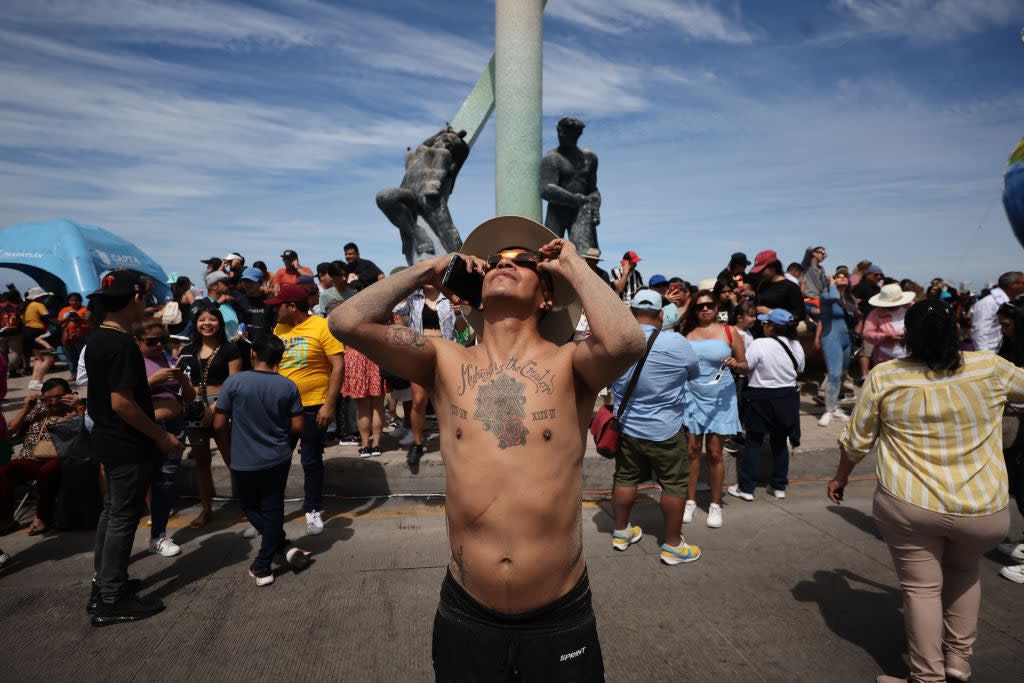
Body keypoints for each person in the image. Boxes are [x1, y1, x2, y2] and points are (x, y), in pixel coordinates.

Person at [328, 216, 644, 681]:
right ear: (476, 288)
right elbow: (345, 321)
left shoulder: (570, 364)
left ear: (546, 294)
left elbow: (626, 341)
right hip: (467, 609)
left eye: (523, 261)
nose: (505, 263)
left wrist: (573, 266)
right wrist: (427, 270)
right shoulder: (441, 358)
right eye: (495, 261)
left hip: (559, 613)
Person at [829, 300, 1023, 683]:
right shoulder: (991, 367)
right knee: (965, 573)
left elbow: (856, 441)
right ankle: (958, 660)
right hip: (984, 508)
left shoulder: (886, 377)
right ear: (956, 330)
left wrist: (841, 477)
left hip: (910, 503)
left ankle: (927, 676)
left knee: (921, 589)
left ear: (909, 337)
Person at [86, 270, 184, 627]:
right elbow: (121, 402)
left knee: (113, 512)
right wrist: (161, 437)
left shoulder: (98, 338)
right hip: (125, 442)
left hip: (109, 440)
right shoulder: (121, 343)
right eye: (143, 297)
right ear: (134, 299)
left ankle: (106, 583)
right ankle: (111, 597)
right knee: (124, 516)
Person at [610, 289, 701, 564]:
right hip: (666, 428)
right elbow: (694, 373)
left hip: (626, 426)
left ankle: (620, 532)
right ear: (661, 315)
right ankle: (673, 545)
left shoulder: (618, 340)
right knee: (674, 484)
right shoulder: (677, 342)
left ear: (630, 312)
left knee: (625, 477)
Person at [213, 334, 311, 586]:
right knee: (273, 508)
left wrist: (228, 452)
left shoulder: (234, 383)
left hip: (244, 459)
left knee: (249, 506)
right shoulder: (288, 386)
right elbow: (298, 425)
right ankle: (282, 547)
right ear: (280, 358)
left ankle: (263, 563)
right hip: (277, 457)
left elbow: (219, 424)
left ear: (253, 355)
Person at [269, 284, 344, 536]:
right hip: (282, 408)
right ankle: (272, 514)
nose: (275, 310)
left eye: (278, 305)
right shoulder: (279, 329)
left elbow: (338, 366)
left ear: (292, 307)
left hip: (313, 405)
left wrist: (329, 404)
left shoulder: (322, 326)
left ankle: (312, 509)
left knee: (311, 460)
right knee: (277, 460)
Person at [680, 289, 745, 528]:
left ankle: (715, 505)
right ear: (694, 310)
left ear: (717, 307)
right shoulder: (687, 333)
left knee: (716, 453)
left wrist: (735, 363)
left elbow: (746, 366)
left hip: (721, 398)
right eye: (699, 306)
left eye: (708, 305)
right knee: (692, 452)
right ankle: (690, 500)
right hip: (692, 395)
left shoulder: (730, 332)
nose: (705, 309)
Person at [726, 309, 805, 501]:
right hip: (786, 398)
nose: (763, 325)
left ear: (771, 326)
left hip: (760, 398)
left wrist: (735, 364)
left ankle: (746, 488)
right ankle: (778, 486)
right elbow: (800, 369)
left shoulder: (759, 343)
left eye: (765, 323)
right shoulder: (796, 345)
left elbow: (747, 367)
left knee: (753, 441)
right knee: (779, 442)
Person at [134, 319, 194, 558]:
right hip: (148, 429)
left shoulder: (168, 359)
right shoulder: (132, 362)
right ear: (136, 341)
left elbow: (187, 397)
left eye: (163, 340)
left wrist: (183, 382)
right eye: (152, 341)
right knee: (139, 482)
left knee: (165, 484)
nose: (159, 345)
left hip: (175, 426)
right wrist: (153, 381)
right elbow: (125, 397)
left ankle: (158, 535)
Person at [178, 305, 242, 528]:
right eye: (202, 319)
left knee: (232, 459)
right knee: (201, 463)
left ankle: (249, 504)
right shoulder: (187, 349)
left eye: (212, 319)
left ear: (220, 322)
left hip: (221, 407)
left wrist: (214, 409)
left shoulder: (231, 349)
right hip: (194, 408)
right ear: (195, 323)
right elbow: (183, 382)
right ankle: (206, 509)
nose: (206, 324)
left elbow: (233, 383)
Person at [0, 378, 86, 535]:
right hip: (33, 458)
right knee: (7, 470)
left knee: (48, 470)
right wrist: (26, 408)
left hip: (65, 459)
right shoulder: (38, 411)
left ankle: (42, 516)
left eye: (59, 397)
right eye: (48, 399)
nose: (53, 402)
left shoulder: (79, 410)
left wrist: (79, 409)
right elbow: (10, 431)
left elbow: (92, 435)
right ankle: (6, 519)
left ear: (70, 394)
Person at [375, 126, 470, 264]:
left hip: (429, 195)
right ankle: (417, 233)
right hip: (410, 195)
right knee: (384, 196)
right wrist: (441, 132)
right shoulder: (417, 154)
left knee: (446, 230)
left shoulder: (443, 153)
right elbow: (423, 144)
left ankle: (463, 265)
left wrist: (434, 185)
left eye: (450, 143)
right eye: (444, 139)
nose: (445, 143)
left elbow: (442, 170)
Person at [393, 285, 463, 467]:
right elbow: (393, 309)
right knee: (418, 400)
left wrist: (459, 312)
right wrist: (405, 287)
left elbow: (462, 327)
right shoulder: (413, 297)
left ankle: (452, 441)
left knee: (449, 401)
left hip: (446, 351)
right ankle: (417, 443)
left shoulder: (449, 297)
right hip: (420, 352)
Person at [540, 116, 601, 252]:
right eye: (560, 132)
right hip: (557, 210)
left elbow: (593, 189)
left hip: (581, 211)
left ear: (578, 135)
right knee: (549, 252)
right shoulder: (552, 158)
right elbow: (545, 189)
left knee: (587, 254)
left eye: (567, 133)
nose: (561, 136)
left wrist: (595, 209)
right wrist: (575, 199)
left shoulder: (590, 158)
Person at [815, 267, 859, 426]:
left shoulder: (850, 299)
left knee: (841, 373)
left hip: (846, 339)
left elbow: (856, 315)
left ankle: (835, 407)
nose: (842, 278)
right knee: (833, 374)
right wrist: (831, 283)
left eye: (844, 276)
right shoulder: (827, 295)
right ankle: (828, 410)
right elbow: (834, 296)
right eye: (838, 276)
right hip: (831, 338)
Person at [863, 284, 916, 367]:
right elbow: (867, 333)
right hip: (886, 355)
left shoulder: (912, 308)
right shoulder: (876, 314)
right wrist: (885, 336)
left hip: (912, 352)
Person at [970, 271, 1024, 352]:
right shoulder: (988, 302)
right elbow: (980, 331)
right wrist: (984, 356)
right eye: (1023, 283)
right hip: (992, 352)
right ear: (1012, 284)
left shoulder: (1014, 301)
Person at [750, 251, 804, 326]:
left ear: (773, 268)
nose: (759, 274)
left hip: (779, 334)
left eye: (762, 270)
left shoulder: (791, 287)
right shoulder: (762, 285)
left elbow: (799, 315)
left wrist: (771, 312)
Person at [23, 286, 55, 391]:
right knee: (49, 358)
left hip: (27, 331)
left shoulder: (29, 305)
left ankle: (33, 382)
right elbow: (47, 316)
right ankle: (37, 381)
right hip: (37, 331)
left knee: (38, 359)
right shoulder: (39, 304)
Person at [58, 292, 90, 380]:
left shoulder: (85, 309)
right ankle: (73, 374)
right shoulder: (64, 310)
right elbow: (59, 322)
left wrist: (78, 318)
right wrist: (67, 318)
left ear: (80, 301)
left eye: (76, 301)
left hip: (81, 336)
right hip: (67, 336)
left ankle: (85, 374)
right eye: (71, 300)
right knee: (70, 356)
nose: (74, 302)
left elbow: (89, 321)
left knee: (82, 356)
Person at [0, 291, 25, 377]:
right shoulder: (16, 307)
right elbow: (22, 319)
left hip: (1, 334)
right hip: (15, 333)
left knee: (2, 353)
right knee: (14, 353)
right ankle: (12, 371)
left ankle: (3, 370)